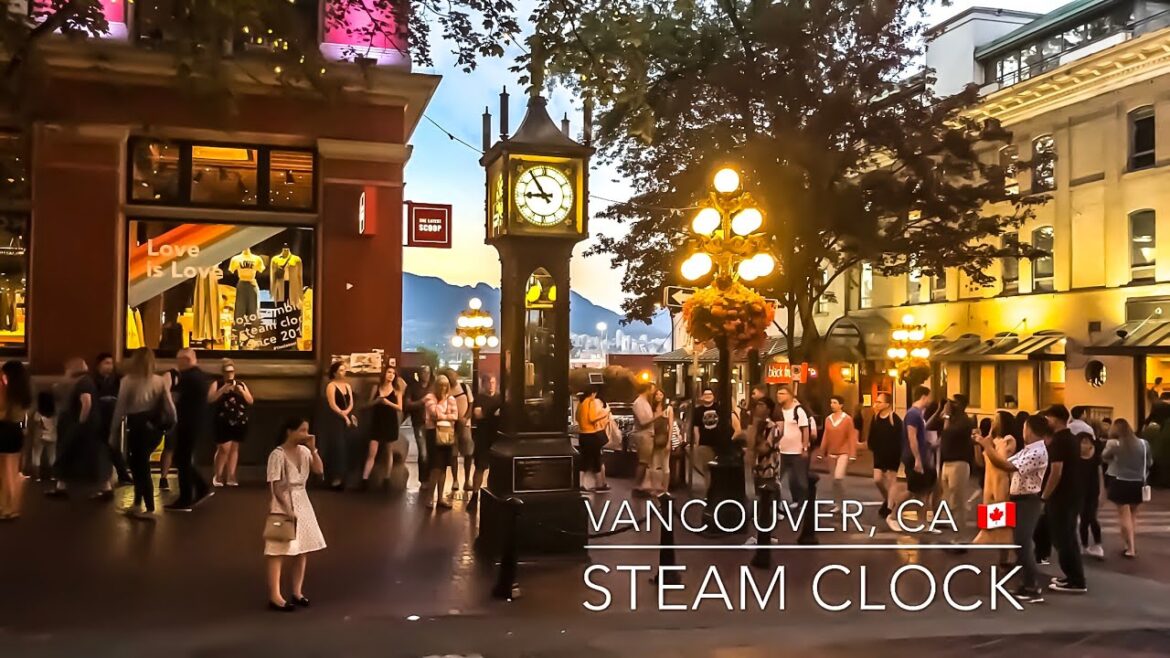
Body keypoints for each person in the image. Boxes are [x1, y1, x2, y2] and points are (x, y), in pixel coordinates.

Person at [976, 414, 1050, 604]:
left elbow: (1005, 465)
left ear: (1030, 430)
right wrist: (986, 445)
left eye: (1024, 428)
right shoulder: (1028, 450)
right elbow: (1002, 461)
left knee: (1022, 543)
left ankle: (1032, 587)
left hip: (1028, 501)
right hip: (1018, 499)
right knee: (1017, 542)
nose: (1022, 431)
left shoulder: (1038, 451)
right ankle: (1025, 584)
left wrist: (987, 446)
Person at [265, 417, 326, 612]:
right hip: (284, 503)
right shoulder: (277, 454)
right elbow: (275, 486)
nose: (305, 434)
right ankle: (275, 595)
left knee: (302, 549)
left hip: (302, 500)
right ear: (289, 431)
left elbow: (319, 470)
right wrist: (287, 509)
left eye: (307, 430)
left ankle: (297, 591)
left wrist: (314, 449)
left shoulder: (305, 452)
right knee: (278, 549)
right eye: (301, 430)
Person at [109, 348, 176, 519]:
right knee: (141, 463)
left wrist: (113, 431)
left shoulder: (128, 381)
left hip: (137, 426)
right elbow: (170, 407)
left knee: (139, 466)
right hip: (155, 428)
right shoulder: (159, 381)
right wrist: (169, 425)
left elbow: (120, 408)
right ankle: (139, 503)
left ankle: (148, 507)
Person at [46, 358, 108, 500]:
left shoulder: (83, 383)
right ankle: (105, 488)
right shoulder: (86, 381)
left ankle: (62, 486)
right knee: (92, 457)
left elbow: (86, 402)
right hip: (86, 427)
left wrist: (80, 422)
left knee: (67, 453)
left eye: (67, 369)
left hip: (80, 427)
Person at [1041, 404, 1087, 594]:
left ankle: (1075, 580)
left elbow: (1056, 472)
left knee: (1063, 539)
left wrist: (1045, 495)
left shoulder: (1059, 441)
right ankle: (1072, 576)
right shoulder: (1072, 438)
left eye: (1048, 418)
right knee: (1068, 537)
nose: (1046, 422)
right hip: (1073, 494)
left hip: (1061, 497)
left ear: (1056, 419)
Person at [166, 348, 213, 512]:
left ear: (186, 360)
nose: (177, 364)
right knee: (182, 458)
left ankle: (187, 497)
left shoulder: (188, 377)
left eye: (179, 360)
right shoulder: (200, 376)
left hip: (187, 423)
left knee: (182, 459)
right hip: (195, 422)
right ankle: (200, 488)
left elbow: (174, 398)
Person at [1103, 418, 1154, 559]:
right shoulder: (1144, 444)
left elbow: (1104, 457)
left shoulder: (1116, 445)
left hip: (1121, 482)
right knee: (1133, 516)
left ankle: (1130, 547)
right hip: (1138, 483)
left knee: (1124, 516)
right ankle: (1128, 544)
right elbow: (1150, 462)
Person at [973, 411, 1019, 567]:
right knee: (993, 523)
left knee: (1004, 524)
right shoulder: (992, 441)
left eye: (996, 419)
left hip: (1002, 484)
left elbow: (1001, 461)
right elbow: (980, 462)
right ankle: (1003, 557)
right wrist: (978, 444)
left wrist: (986, 444)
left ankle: (1007, 557)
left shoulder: (1008, 440)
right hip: (990, 484)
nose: (993, 422)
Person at [887, 386, 934, 533]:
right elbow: (911, 437)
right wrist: (917, 459)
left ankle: (923, 523)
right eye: (929, 397)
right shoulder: (913, 414)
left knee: (924, 491)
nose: (930, 400)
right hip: (914, 458)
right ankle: (893, 516)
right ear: (923, 397)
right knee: (913, 491)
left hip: (920, 457)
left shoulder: (918, 414)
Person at [938, 394, 976, 545]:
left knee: (957, 503)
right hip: (947, 464)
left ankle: (961, 538)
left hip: (958, 464)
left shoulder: (964, 421)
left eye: (954, 403)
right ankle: (956, 536)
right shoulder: (951, 419)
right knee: (948, 501)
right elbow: (930, 425)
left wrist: (947, 415)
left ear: (960, 405)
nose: (951, 405)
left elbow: (947, 433)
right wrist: (941, 410)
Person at [361, 363, 406, 490]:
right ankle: (364, 479)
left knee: (388, 451)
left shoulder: (397, 390)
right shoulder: (376, 388)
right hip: (377, 422)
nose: (391, 375)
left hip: (390, 422)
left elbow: (400, 407)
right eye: (389, 372)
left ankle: (387, 479)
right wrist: (376, 401)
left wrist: (387, 402)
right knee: (372, 452)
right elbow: (367, 405)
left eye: (393, 373)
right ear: (384, 374)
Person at [210, 359, 253, 487]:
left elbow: (250, 400)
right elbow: (210, 399)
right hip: (223, 419)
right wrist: (222, 390)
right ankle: (218, 475)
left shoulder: (240, 384)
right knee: (224, 448)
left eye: (231, 372)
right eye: (227, 372)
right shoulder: (217, 384)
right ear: (223, 373)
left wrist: (242, 391)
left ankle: (231, 475)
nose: (229, 375)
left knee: (234, 448)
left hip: (238, 420)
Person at [93, 353, 132, 486]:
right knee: (107, 446)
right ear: (99, 365)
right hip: (99, 417)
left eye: (111, 363)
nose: (110, 366)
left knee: (111, 445)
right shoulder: (93, 380)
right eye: (106, 363)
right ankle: (120, 474)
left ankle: (120, 474)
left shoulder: (118, 380)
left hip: (112, 416)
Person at [0, 361, 31, 520]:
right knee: (14, 471)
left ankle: (5, 508)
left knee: (4, 473)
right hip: (16, 431)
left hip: (3, 431)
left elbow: (2, 414)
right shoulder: (25, 391)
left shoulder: (6, 392)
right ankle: (14, 507)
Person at [423, 374, 458, 509]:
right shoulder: (429, 397)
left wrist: (443, 416)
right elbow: (434, 414)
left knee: (443, 467)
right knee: (435, 467)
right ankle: (429, 497)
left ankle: (440, 498)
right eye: (440, 385)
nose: (443, 388)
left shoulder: (451, 399)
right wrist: (446, 414)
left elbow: (455, 416)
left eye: (445, 385)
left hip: (447, 434)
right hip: (433, 434)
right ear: (436, 386)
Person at [773, 385, 811, 510]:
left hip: (796, 451)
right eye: (778, 393)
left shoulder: (798, 410)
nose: (779, 396)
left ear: (790, 395)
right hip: (781, 451)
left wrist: (804, 448)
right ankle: (776, 503)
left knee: (799, 480)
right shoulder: (777, 411)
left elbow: (805, 430)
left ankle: (802, 502)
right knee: (777, 479)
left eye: (782, 394)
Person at [864, 392, 901, 519]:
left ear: (887, 404)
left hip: (892, 454)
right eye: (876, 401)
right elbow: (871, 436)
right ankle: (888, 499)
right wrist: (871, 447)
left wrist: (899, 453)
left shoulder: (894, 419)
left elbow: (900, 438)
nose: (877, 404)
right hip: (879, 454)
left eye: (879, 402)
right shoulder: (875, 418)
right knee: (877, 479)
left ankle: (889, 508)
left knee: (891, 480)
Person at [817, 395, 857, 512]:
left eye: (835, 403)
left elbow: (851, 437)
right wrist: (821, 452)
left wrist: (852, 454)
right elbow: (826, 436)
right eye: (831, 402)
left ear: (841, 405)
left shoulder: (847, 419)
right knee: (834, 481)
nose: (832, 405)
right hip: (831, 453)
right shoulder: (828, 419)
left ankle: (844, 503)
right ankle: (838, 504)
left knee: (838, 478)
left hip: (843, 452)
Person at [320, 361, 356, 491]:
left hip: (346, 419)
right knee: (337, 447)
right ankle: (334, 479)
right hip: (335, 420)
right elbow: (332, 404)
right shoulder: (331, 386)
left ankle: (344, 478)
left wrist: (348, 413)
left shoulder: (347, 386)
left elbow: (351, 403)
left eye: (344, 370)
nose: (343, 372)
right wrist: (343, 415)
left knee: (347, 447)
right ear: (334, 373)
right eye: (341, 370)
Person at [470, 376, 503, 501]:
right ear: (483, 384)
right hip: (482, 438)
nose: (491, 385)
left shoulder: (500, 398)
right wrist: (493, 412)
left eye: (493, 382)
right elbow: (478, 414)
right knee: (480, 467)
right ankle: (475, 495)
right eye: (489, 382)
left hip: (496, 438)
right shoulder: (479, 398)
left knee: (495, 469)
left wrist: (488, 413)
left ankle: (492, 494)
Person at [443, 368, 474, 495]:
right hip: (450, 425)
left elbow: (471, 404)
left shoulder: (464, 387)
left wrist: (465, 418)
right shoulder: (445, 389)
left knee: (468, 453)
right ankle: (455, 480)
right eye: (449, 376)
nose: (452, 378)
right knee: (453, 454)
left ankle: (467, 480)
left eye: (453, 375)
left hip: (465, 425)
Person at [575, 385, 610, 492]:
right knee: (596, 459)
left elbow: (577, 417)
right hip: (591, 434)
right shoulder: (590, 402)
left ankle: (580, 484)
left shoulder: (581, 403)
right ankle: (599, 484)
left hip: (583, 435)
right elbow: (592, 418)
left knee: (584, 460)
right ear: (593, 393)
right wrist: (605, 413)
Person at [1075, 431, 1104, 560]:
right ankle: (1084, 545)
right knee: (1083, 520)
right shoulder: (1075, 458)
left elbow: (1100, 475)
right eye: (1082, 442)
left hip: (1093, 492)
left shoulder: (1096, 458)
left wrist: (1102, 492)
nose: (1085, 445)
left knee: (1092, 518)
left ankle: (1098, 544)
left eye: (1087, 442)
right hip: (1080, 492)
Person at [631, 381, 663, 497]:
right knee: (643, 462)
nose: (653, 392)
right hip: (643, 435)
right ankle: (637, 487)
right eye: (652, 389)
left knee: (645, 462)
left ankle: (640, 487)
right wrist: (657, 416)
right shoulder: (639, 403)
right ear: (647, 390)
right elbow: (643, 421)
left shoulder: (645, 402)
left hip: (647, 434)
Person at [404, 366, 432, 488]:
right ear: (419, 374)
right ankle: (423, 480)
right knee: (423, 452)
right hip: (419, 423)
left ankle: (431, 479)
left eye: (428, 373)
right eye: (424, 372)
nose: (426, 375)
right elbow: (407, 404)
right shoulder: (412, 388)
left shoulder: (433, 387)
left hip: (433, 423)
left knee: (431, 452)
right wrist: (422, 401)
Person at [690, 388, 725, 487]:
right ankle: (708, 489)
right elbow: (696, 427)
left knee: (719, 469)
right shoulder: (698, 410)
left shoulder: (719, 408)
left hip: (719, 443)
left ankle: (718, 488)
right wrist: (698, 442)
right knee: (707, 468)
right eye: (705, 394)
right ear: (702, 397)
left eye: (710, 394)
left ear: (713, 396)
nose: (708, 396)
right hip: (704, 443)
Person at [157, 367, 181, 492]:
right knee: (169, 447)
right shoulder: (171, 374)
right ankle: (163, 477)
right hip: (170, 416)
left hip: (182, 416)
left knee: (180, 448)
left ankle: (180, 477)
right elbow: (164, 392)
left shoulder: (191, 377)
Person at [646, 388, 673, 495]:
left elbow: (670, 426)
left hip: (664, 438)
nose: (658, 396)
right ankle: (654, 488)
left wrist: (669, 442)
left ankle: (665, 489)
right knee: (653, 466)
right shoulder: (651, 408)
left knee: (665, 465)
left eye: (661, 394)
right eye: (656, 394)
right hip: (653, 438)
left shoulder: (668, 409)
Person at [28, 392, 57, 482]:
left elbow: (35, 425)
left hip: (40, 437)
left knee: (36, 455)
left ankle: (36, 476)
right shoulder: (54, 414)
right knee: (52, 456)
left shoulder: (38, 414)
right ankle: (53, 475)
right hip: (52, 437)